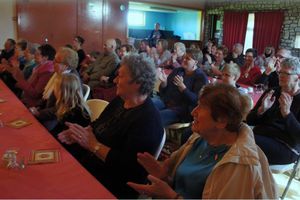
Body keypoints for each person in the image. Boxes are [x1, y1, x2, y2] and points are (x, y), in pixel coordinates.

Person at [128, 83, 278, 199]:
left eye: (201, 107)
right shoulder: (199, 139)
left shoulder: (240, 165)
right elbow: (180, 184)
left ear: (221, 121)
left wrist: (171, 197)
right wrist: (163, 176)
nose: (193, 112)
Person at [57, 54, 164, 198]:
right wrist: (79, 134)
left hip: (112, 184)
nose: (115, 80)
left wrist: (93, 145)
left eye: (120, 76)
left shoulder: (148, 120)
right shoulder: (120, 101)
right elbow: (98, 124)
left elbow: (130, 168)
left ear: (137, 82)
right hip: (92, 166)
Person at [247, 57, 300, 164]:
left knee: (242, 141)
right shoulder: (272, 92)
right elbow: (249, 120)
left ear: (297, 77)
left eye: (286, 73)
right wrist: (261, 110)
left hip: (286, 147)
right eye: (280, 72)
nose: (281, 76)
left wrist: (287, 114)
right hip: (261, 136)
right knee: (234, 132)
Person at [153, 48, 208, 126]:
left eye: (188, 58)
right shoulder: (178, 71)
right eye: (184, 57)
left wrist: (183, 89)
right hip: (166, 101)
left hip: (182, 109)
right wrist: (164, 83)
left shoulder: (200, 77)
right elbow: (163, 92)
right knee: (145, 106)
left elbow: (197, 101)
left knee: (155, 118)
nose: (184, 60)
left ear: (195, 62)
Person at [30, 47, 80, 131]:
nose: (53, 62)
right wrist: (38, 106)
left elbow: (62, 108)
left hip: (59, 118)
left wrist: (39, 113)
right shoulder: (58, 73)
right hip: (48, 111)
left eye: (56, 61)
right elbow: (46, 95)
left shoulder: (69, 80)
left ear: (66, 65)